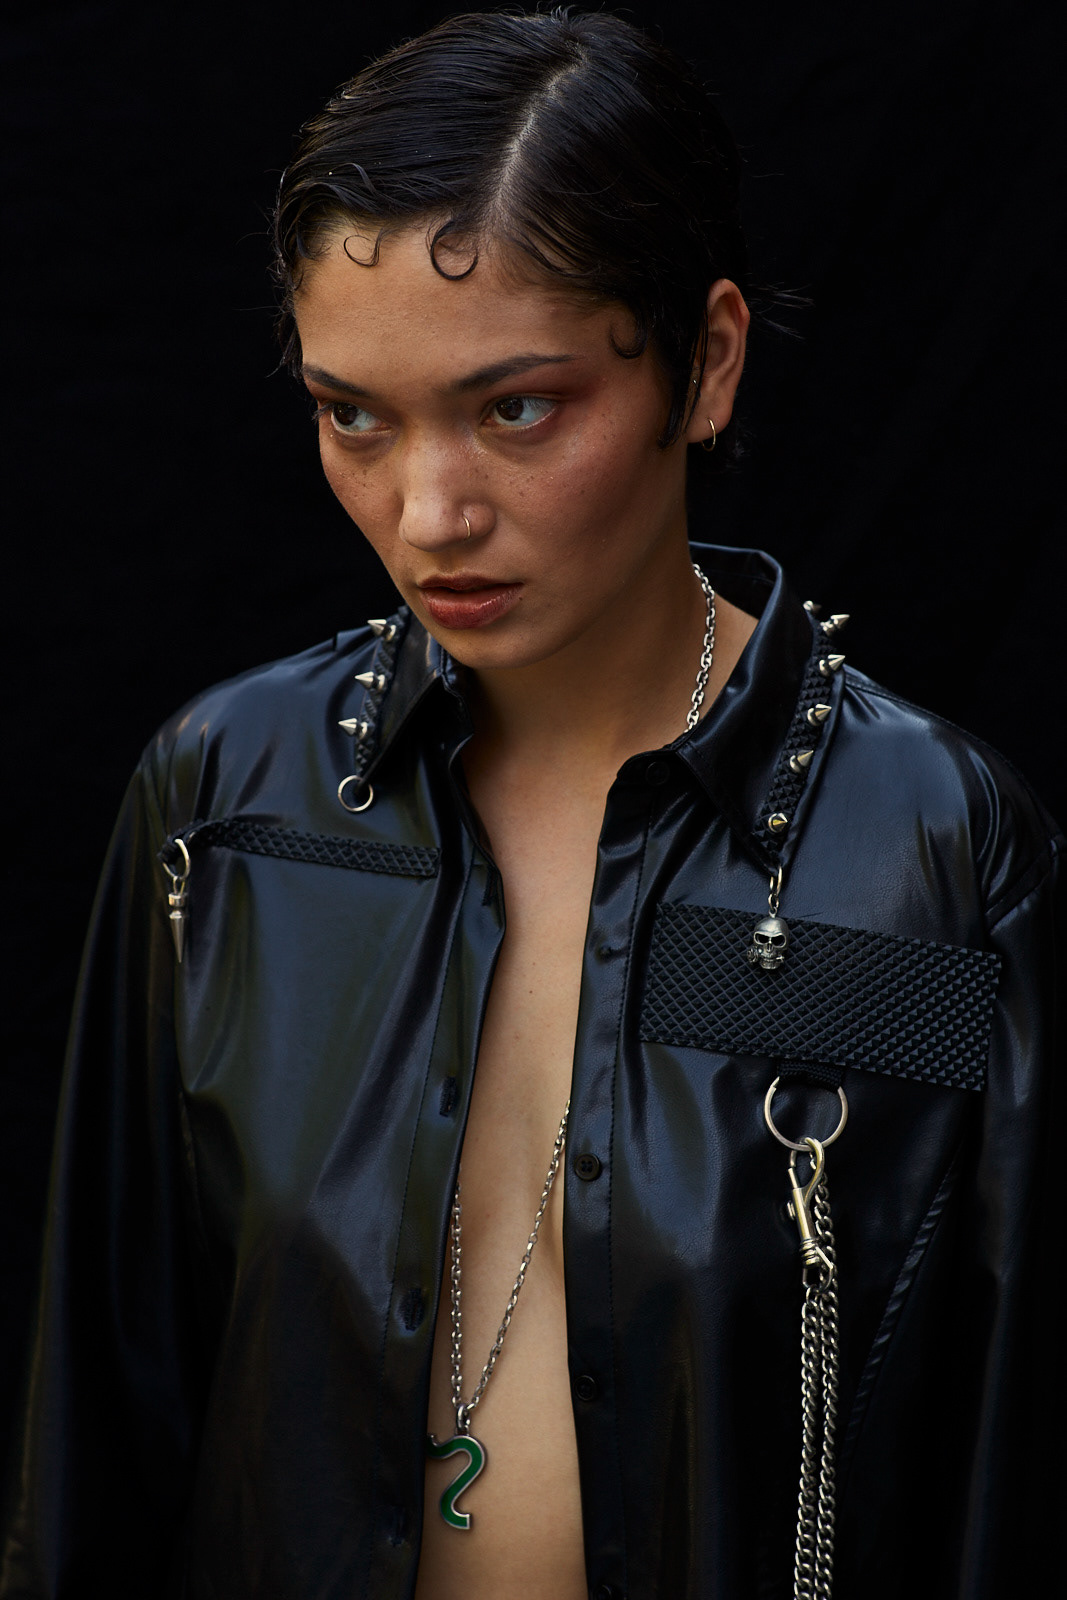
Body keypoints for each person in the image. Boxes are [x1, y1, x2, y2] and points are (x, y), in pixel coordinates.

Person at [2, 8, 1061, 1598]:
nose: (429, 511)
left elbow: (992, 1457)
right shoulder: (230, 812)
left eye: (516, 408)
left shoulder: (924, 860)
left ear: (705, 362)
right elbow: (102, 1421)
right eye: (355, 414)